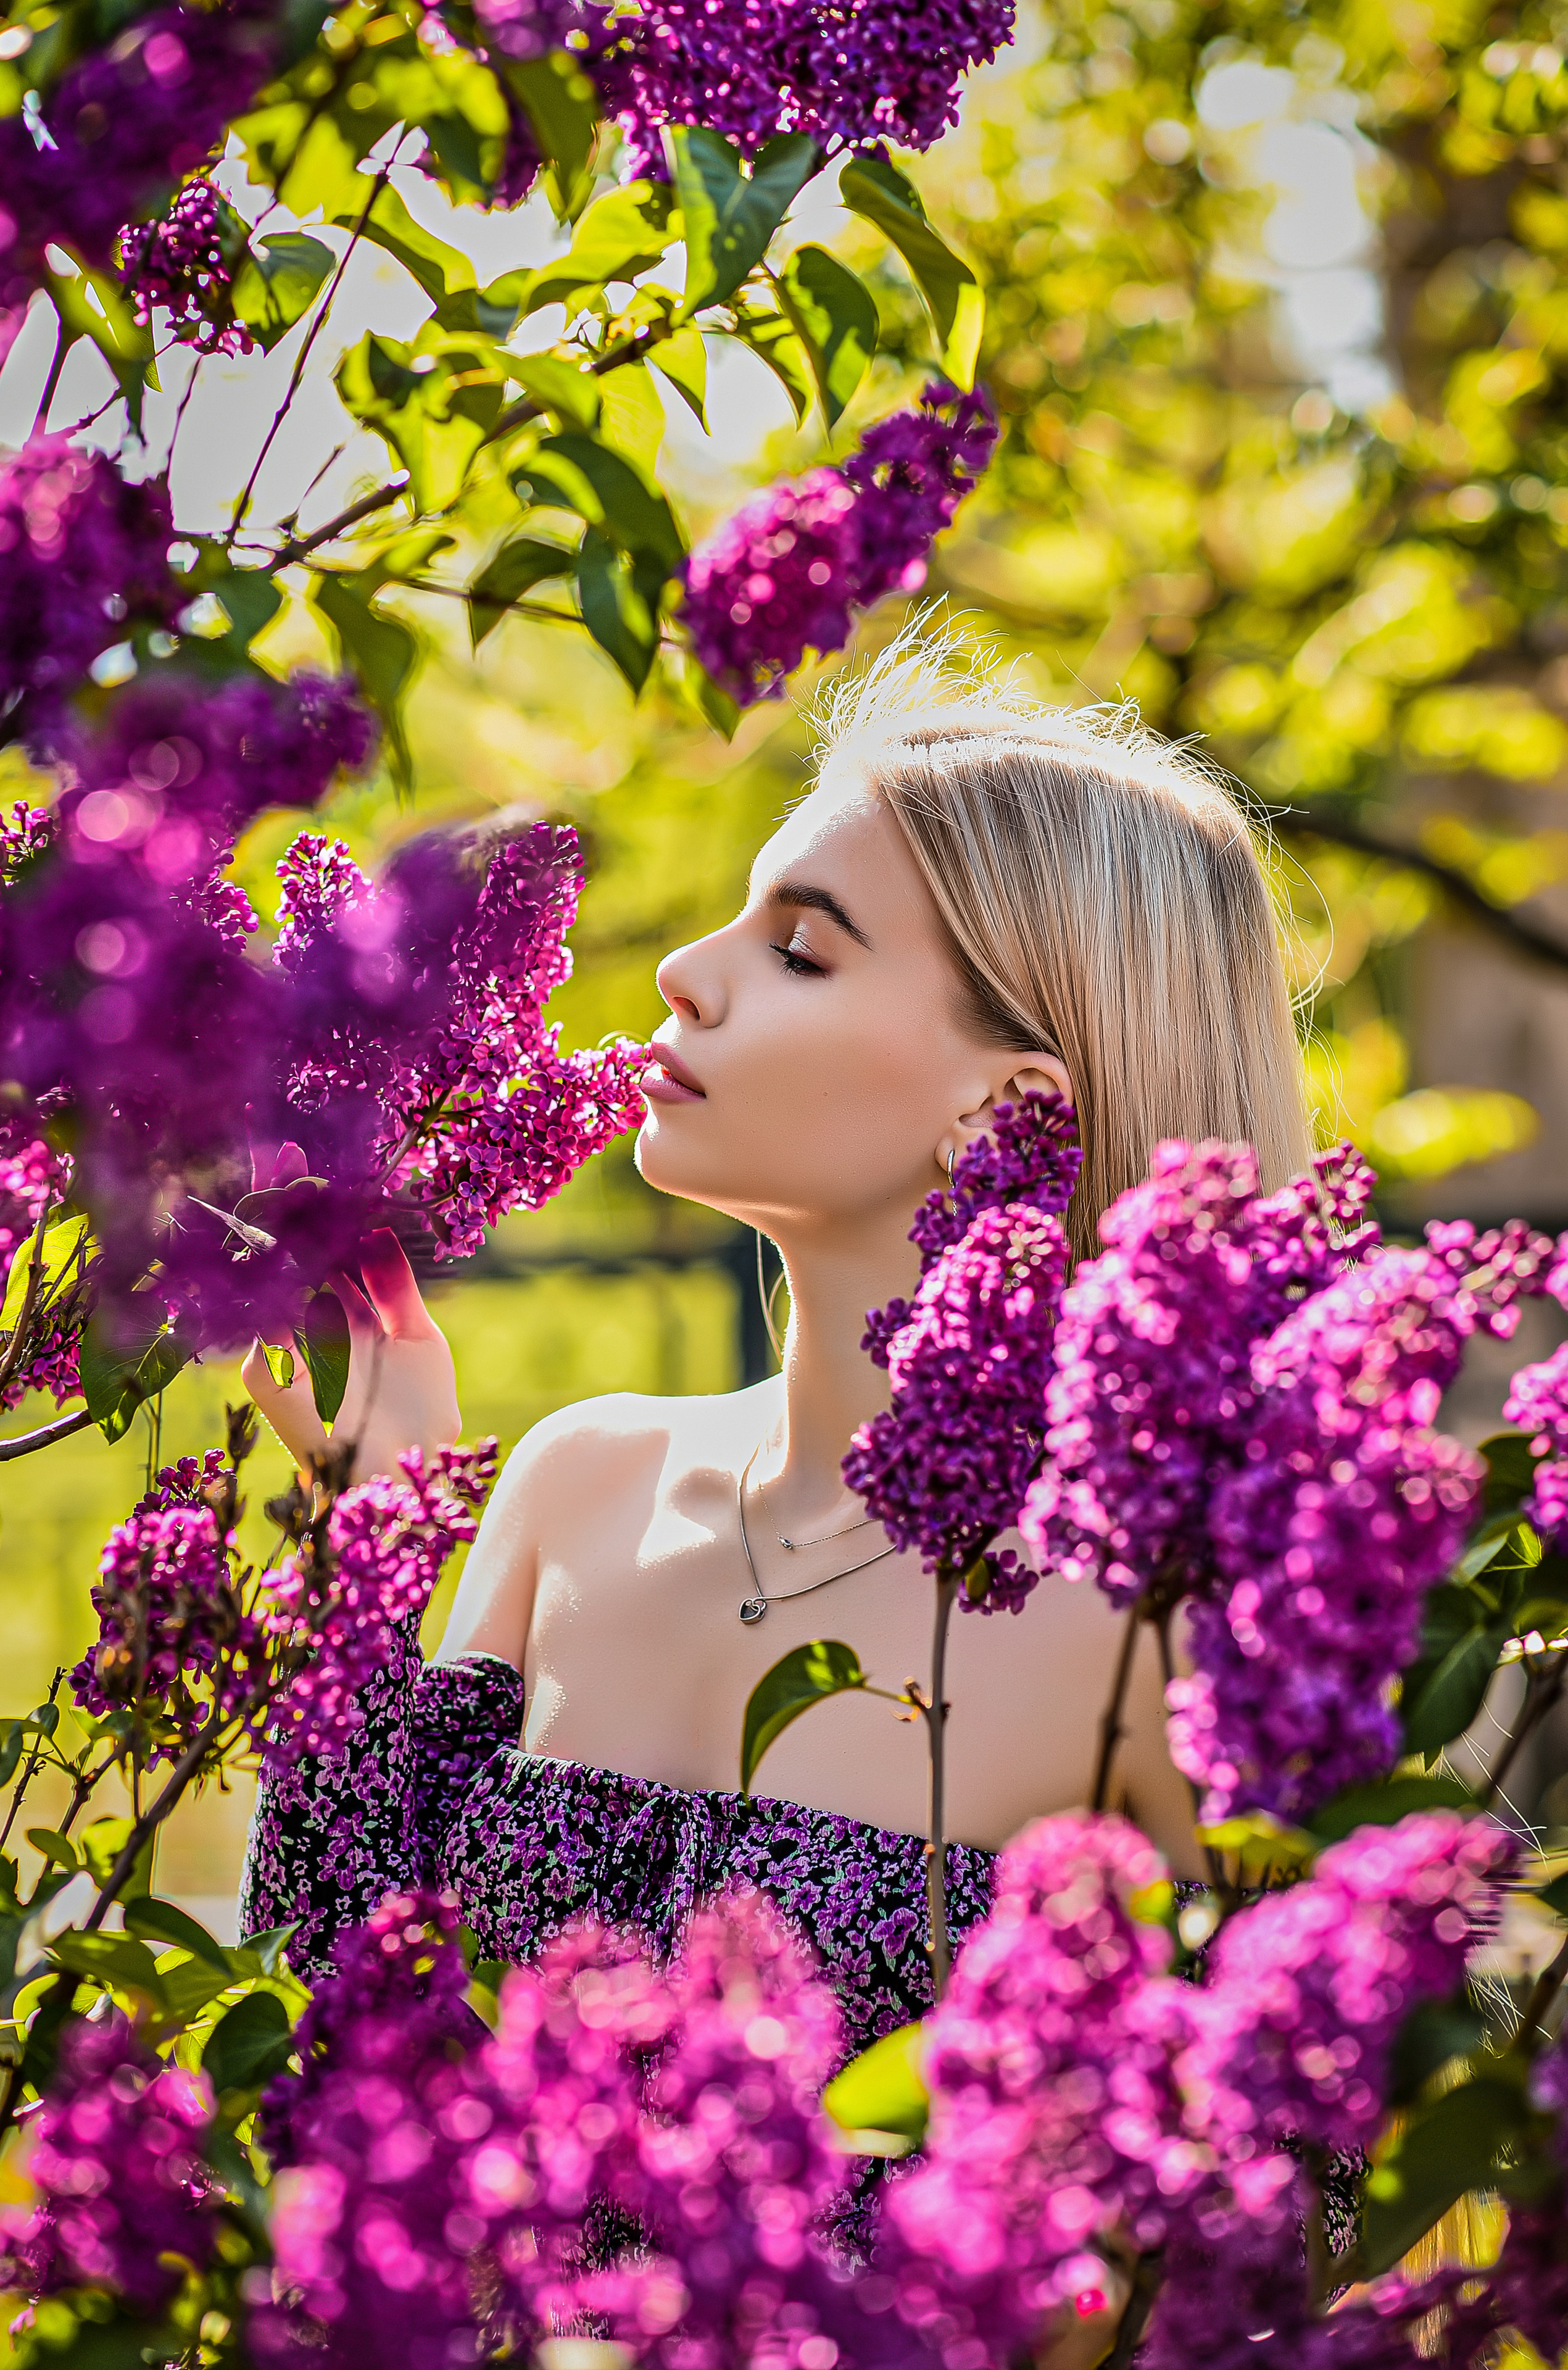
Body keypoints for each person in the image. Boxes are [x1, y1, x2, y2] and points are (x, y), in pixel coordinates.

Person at [241, 649, 1314, 2357]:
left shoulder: (1159, 1619)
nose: (680, 971)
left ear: (1010, 1109)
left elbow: (1263, 2237)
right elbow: (324, 2040)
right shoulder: (571, 1485)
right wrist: (376, 1526)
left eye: (800, 948)